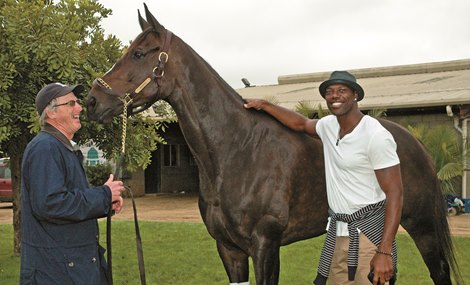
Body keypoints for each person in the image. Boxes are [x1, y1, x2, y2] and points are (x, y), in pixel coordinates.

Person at [244, 71, 403, 285]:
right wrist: (266, 105)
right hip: (340, 232)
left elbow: (395, 194)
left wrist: (384, 252)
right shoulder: (329, 126)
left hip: (369, 235)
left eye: (342, 90)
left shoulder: (375, 136)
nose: (334, 96)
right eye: (329, 92)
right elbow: (300, 123)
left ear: (355, 95)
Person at [20, 82, 125, 285]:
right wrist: (102, 194)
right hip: (57, 272)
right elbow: (50, 204)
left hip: (73, 268)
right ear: (51, 113)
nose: (79, 108)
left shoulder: (59, 147)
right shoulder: (45, 148)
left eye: (77, 102)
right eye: (71, 104)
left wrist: (106, 202)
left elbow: (68, 199)